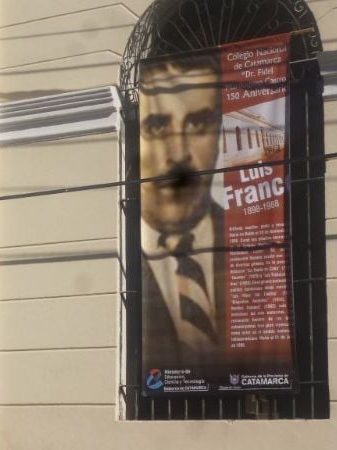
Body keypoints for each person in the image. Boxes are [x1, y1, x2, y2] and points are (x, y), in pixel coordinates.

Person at [138, 52, 227, 372]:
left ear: (219, 134)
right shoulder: (114, 252)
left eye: (199, 122)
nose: (179, 155)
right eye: (158, 126)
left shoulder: (260, 243)